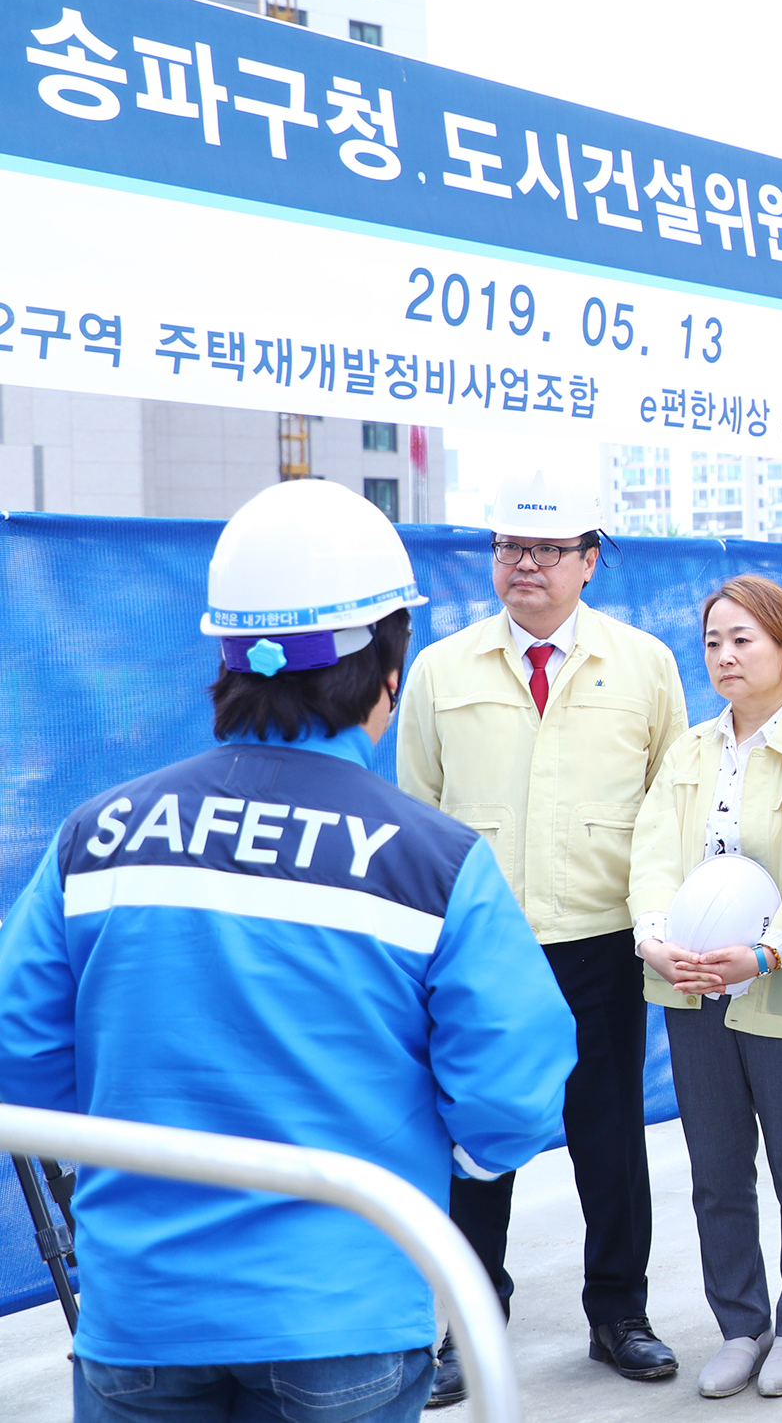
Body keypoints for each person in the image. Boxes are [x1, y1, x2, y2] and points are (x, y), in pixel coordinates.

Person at [0, 479, 576, 1423]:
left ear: (228, 658)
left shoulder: (94, 837)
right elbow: (510, 1092)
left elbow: (19, 1059)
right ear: (389, 663)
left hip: (140, 1312)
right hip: (343, 1312)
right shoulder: (434, 862)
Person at [397, 466, 689, 1403]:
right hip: (483, 951)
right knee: (476, 1143)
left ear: (589, 562)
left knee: (610, 1139)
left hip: (604, 939)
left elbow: (669, 803)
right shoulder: (443, 669)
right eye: (507, 548)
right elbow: (417, 816)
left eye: (547, 549)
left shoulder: (643, 663)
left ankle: (619, 1314)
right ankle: (468, 1327)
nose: (523, 565)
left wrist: (660, 920)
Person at [628, 575, 782, 1402]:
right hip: (688, 989)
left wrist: (767, 951)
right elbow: (651, 853)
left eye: (743, 639)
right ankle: (740, 1325)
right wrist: (654, 938)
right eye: (714, 641)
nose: (724, 655)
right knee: (717, 1167)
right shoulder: (689, 749)